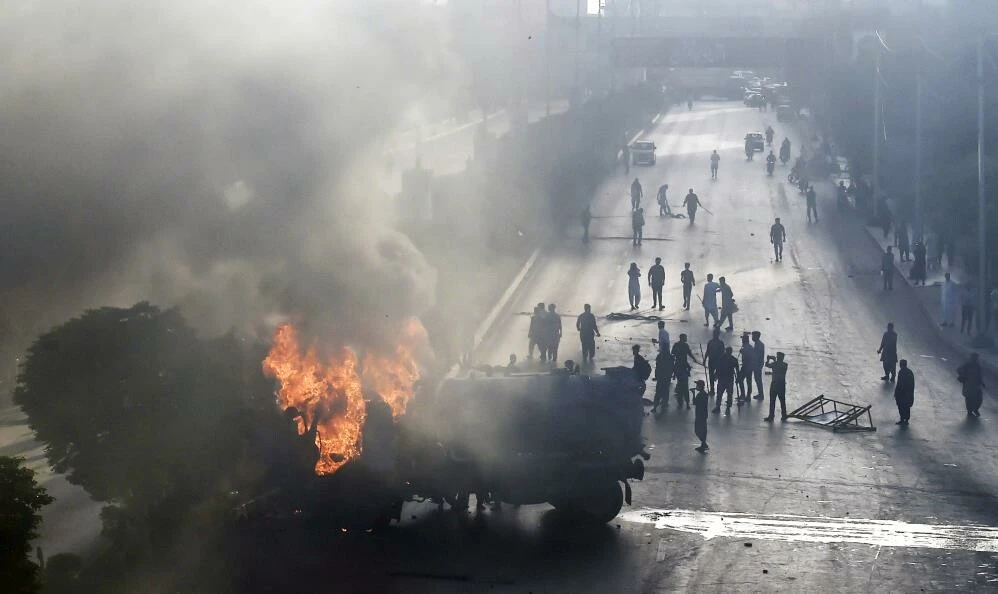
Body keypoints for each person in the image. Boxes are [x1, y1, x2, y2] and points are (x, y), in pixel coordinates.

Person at [671, 333, 701, 409]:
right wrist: (694, 359)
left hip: (678, 367)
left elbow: (672, 354)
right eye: (685, 337)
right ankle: (686, 403)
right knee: (684, 386)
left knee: (680, 384)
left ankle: (681, 402)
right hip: (683, 367)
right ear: (682, 338)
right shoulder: (685, 346)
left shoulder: (676, 345)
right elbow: (689, 354)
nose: (686, 338)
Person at [762, 352, 789, 422]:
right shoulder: (785, 365)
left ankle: (771, 415)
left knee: (772, 401)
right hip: (782, 385)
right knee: (782, 401)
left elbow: (767, 365)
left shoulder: (775, 364)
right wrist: (774, 360)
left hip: (774, 384)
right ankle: (784, 415)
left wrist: (768, 359)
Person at [712, 346, 739, 414]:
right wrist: (716, 376)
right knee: (720, 393)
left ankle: (727, 407)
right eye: (727, 351)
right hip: (723, 378)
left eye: (729, 351)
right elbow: (718, 368)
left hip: (728, 379)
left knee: (728, 393)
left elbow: (737, 369)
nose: (728, 353)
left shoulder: (733, 360)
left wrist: (738, 378)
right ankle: (718, 406)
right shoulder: (723, 358)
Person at [957, 352, 985, 417]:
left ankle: (975, 409)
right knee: (969, 399)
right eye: (974, 358)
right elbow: (959, 369)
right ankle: (969, 411)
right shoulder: (967, 365)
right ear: (972, 358)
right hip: (968, 385)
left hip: (976, 385)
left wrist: (982, 383)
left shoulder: (978, 366)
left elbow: (979, 375)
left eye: (976, 358)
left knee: (979, 399)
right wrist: (963, 375)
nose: (976, 359)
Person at [652, 347, 675, 413]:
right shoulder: (670, 357)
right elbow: (672, 367)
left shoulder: (659, 356)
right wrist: (672, 375)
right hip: (667, 377)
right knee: (666, 390)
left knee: (658, 392)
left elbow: (657, 366)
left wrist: (656, 376)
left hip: (661, 377)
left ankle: (655, 407)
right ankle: (664, 404)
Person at [704, 328, 725, 395]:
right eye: (714, 334)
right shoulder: (710, 342)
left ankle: (719, 389)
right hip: (711, 361)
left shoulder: (721, 343)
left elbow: (722, 353)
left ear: (718, 334)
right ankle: (712, 389)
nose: (714, 335)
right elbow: (707, 351)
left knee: (719, 375)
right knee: (711, 375)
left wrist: (722, 362)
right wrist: (705, 359)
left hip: (718, 361)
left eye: (716, 334)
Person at [894, 359, 914, 425]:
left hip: (901, 394)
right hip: (908, 394)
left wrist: (896, 393)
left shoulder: (901, 372)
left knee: (901, 407)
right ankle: (906, 420)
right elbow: (912, 384)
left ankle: (902, 419)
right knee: (907, 407)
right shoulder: (910, 372)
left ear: (901, 365)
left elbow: (899, 384)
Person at [737, 333, 757, 402]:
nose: (742, 340)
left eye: (742, 339)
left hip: (746, 366)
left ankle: (744, 395)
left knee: (740, 380)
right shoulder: (749, 347)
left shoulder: (746, 348)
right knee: (748, 381)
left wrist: (743, 352)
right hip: (749, 367)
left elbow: (747, 357)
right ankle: (747, 396)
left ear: (744, 340)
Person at [693, 380, 710, 453]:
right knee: (703, 429)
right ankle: (703, 444)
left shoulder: (700, 395)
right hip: (704, 414)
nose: (696, 386)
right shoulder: (705, 394)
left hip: (700, 415)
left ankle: (703, 444)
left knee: (698, 430)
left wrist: (693, 394)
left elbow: (695, 402)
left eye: (697, 385)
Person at [751, 331, 766, 398]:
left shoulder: (759, 345)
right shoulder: (759, 344)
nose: (752, 337)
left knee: (758, 379)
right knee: (757, 379)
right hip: (758, 364)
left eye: (753, 336)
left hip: (757, 365)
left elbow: (757, 355)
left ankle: (761, 394)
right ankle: (760, 393)